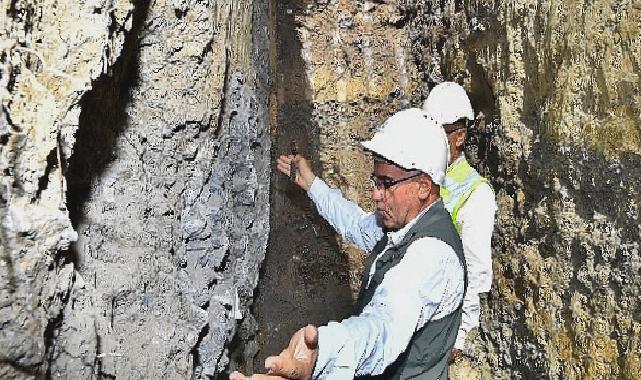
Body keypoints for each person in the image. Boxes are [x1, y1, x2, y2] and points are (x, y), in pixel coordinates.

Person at [231, 108, 467, 380]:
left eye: (386, 183)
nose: (375, 194)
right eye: (375, 181)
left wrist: (322, 352)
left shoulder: (431, 256)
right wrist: (311, 184)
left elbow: (382, 327)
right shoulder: (400, 224)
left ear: (424, 187)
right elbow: (356, 225)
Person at [423, 82, 497, 361]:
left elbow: (477, 273)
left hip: (444, 326)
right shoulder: (425, 178)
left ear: (460, 136)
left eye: (438, 133)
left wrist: (462, 337)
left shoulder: (476, 194)